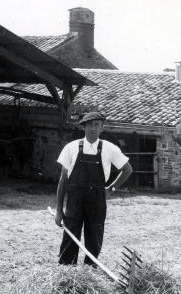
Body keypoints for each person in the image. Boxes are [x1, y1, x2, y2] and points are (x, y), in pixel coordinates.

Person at [54, 112, 133, 265]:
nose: (93, 128)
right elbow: (63, 180)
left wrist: (111, 188)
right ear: (84, 127)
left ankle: (90, 270)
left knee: (94, 237)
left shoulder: (110, 149)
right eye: (90, 125)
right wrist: (59, 210)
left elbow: (127, 169)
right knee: (70, 235)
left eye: (97, 125)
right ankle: (66, 271)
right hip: (75, 200)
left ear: (102, 128)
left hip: (97, 201)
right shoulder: (71, 148)